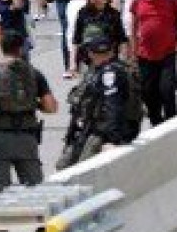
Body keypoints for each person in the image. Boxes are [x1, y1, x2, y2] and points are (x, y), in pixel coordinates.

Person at [0, 32, 57, 192]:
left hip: (0, 139)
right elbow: (51, 107)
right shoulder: (35, 73)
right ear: (21, 49)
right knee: (35, 191)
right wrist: (34, 103)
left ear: (2, 48)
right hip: (27, 137)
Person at [56, 39, 134, 169]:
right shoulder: (99, 70)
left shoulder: (110, 72)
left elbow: (113, 105)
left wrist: (112, 140)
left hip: (101, 132)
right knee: (64, 166)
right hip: (89, 129)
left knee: (82, 169)